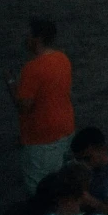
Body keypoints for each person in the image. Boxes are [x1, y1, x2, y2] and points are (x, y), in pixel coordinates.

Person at [9, 16, 76, 194]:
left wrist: (11, 85)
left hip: (40, 139)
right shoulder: (63, 59)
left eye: (28, 36)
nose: (25, 40)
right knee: (64, 186)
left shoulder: (31, 69)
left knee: (38, 190)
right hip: (65, 131)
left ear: (37, 39)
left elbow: (24, 106)